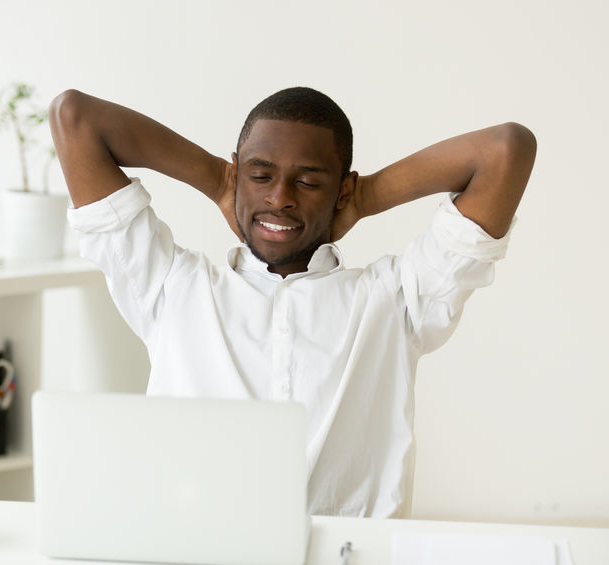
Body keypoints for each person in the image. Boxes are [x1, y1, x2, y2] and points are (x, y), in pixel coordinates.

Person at [49, 86, 537, 518]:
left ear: (341, 188)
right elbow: (77, 118)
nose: (280, 198)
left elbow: (505, 150)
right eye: (261, 175)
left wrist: (363, 198)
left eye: (308, 182)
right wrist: (219, 181)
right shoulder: (170, 287)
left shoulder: (398, 299)